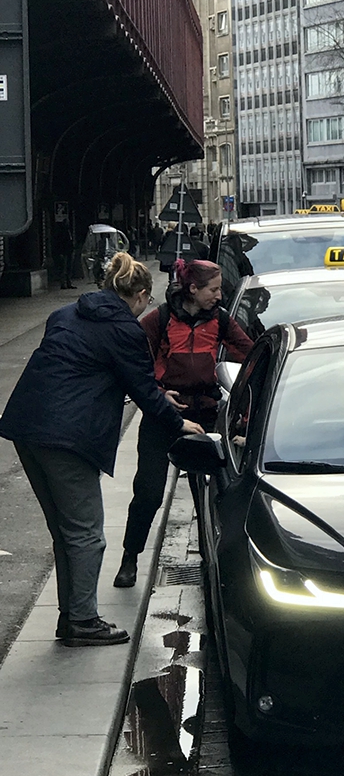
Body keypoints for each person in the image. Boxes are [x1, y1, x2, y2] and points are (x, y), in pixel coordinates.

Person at [0, 253, 203, 647]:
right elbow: (142, 388)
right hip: (68, 437)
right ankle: (83, 621)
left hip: (27, 426)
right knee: (88, 535)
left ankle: (71, 616)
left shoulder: (64, 314)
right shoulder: (125, 330)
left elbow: (82, 371)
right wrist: (178, 422)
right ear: (142, 295)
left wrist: (145, 394)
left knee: (66, 531)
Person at [114, 259, 254, 588]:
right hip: (164, 417)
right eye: (214, 289)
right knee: (148, 493)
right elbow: (137, 365)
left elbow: (250, 356)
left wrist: (243, 407)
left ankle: (212, 559)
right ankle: (129, 559)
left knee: (209, 493)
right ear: (193, 289)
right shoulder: (158, 319)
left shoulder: (220, 320)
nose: (220, 295)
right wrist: (160, 394)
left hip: (205, 413)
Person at [52, 219, 75, 289]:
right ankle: (63, 283)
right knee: (63, 269)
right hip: (64, 252)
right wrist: (60, 252)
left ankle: (68, 282)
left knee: (69, 268)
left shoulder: (69, 232)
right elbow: (59, 243)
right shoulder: (62, 233)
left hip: (69, 252)